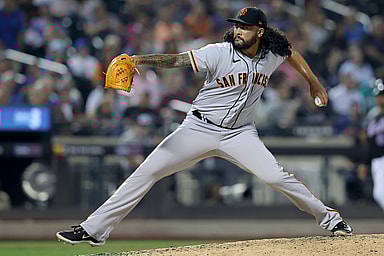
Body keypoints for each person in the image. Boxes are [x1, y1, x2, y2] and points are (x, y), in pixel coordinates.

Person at [56, 7, 353, 246]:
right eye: (236, 25)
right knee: (146, 172)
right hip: (198, 130)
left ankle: (330, 219)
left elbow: (291, 52)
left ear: (259, 32)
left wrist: (314, 83)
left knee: (276, 177)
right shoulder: (219, 52)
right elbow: (176, 60)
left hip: (240, 134)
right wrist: (139, 59)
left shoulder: (271, 54)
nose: (238, 30)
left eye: (245, 27)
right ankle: (93, 230)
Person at [359, 79, 384, 211]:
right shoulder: (372, 115)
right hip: (377, 161)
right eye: (378, 96)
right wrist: (365, 162)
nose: (379, 99)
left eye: (381, 96)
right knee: (379, 194)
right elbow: (369, 142)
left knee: (380, 194)